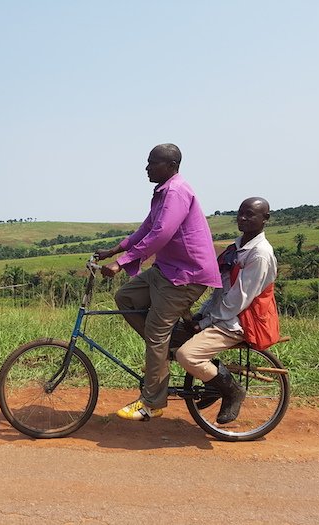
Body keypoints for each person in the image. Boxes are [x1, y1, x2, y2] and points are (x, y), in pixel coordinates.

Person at [96, 143, 221, 421]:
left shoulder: (176, 191)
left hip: (186, 274)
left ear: (171, 165)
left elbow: (161, 234)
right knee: (126, 298)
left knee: (156, 331)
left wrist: (122, 262)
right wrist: (115, 250)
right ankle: (165, 351)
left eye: (152, 162)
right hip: (167, 270)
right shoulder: (163, 192)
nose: (147, 167)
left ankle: (152, 402)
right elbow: (147, 228)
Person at [172, 196, 278, 424]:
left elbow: (238, 300)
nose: (243, 218)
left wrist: (205, 322)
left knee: (186, 355)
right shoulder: (238, 247)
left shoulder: (259, 254)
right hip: (223, 316)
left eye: (250, 214)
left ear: (265, 219)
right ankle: (212, 386)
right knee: (171, 335)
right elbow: (219, 291)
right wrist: (202, 314)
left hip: (238, 322)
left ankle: (232, 391)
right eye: (240, 213)